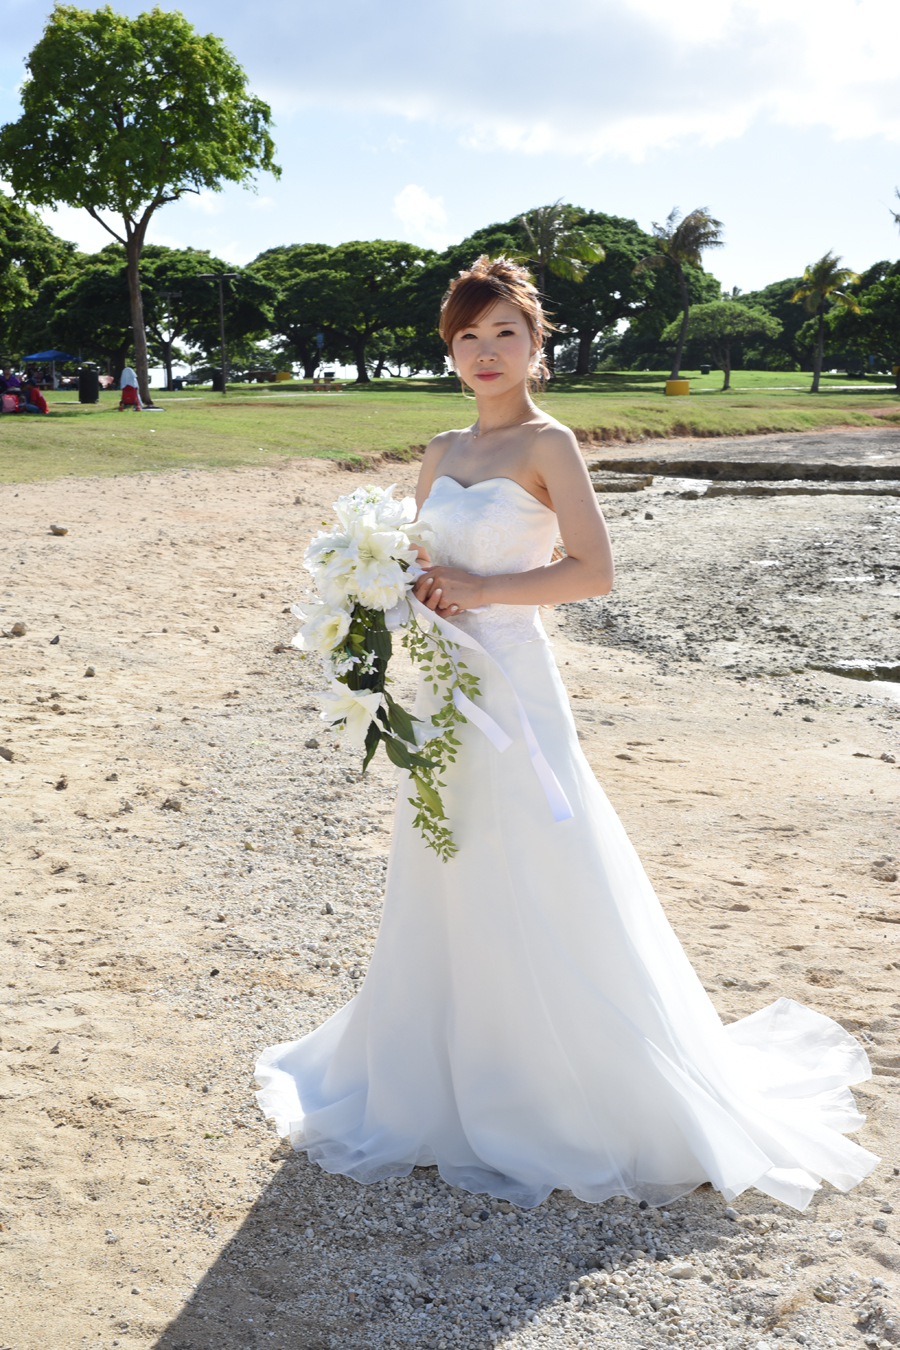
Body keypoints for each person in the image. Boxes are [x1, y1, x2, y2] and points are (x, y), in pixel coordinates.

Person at [255, 256, 876, 1213]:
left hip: (517, 685)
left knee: (538, 852)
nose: (486, 351)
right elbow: (422, 556)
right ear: (451, 351)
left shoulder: (551, 446)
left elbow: (593, 571)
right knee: (445, 856)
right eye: (468, 336)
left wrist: (486, 592)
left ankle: (559, 1086)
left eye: (505, 332)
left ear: (537, 345)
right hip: (445, 684)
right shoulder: (439, 448)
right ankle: (443, 1073)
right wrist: (387, 593)